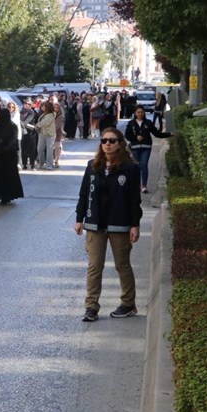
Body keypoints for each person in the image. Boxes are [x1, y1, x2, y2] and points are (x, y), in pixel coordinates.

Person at [74, 128, 143, 322]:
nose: (107, 144)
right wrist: (80, 219)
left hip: (119, 224)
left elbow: (133, 199)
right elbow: (84, 193)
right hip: (95, 223)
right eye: (104, 140)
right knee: (94, 266)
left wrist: (134, 224)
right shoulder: (92, 166)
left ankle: (128, 304)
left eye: (112, 141)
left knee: (122, 265)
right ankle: (91, 307)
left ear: (120, 143)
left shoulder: (130, 168)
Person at [124, 105, 172, 194]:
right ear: (135, 113)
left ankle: (144, 186)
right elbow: (127, 135)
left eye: (142, 112)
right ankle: (135, 185)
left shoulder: (148, 123)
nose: (140, 114)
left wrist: (169, 134)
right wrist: (135, 137)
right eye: (138, 112)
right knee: (136, 166)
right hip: (135, 147)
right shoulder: (131, 123)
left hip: (146, 147)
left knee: (144, 165)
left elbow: (157, 134)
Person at [0, 109, 24, 205]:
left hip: (8, 156)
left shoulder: (12, 126)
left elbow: (12, 140)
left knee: (7, 176)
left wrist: (1, 149)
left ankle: (6, 197)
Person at [34, 101, 57, 171]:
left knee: (49, 150)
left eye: (44, 106)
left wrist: (38, 124)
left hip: (50, 134)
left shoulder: (52, 114)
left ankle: (49, 164)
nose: (42, 107)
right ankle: (41, 163)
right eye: (42, 106)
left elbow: (46, 122)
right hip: (42, 134)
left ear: (48, 107)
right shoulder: (43, 114)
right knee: (40, 149)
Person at [19, 100, 39, 170]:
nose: (27, 105)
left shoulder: (32, 112)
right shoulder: (20, 112)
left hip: (31, 133)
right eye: (25, 103)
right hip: (23, 132)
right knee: (23, 148)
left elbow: (27, 120)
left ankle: (32, 164)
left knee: (32, 149)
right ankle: (24, 164)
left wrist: (21, 123)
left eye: (28, 104)